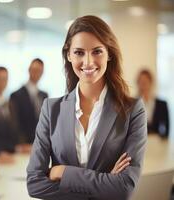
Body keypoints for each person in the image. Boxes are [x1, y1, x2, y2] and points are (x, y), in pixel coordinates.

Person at [27, 15, 147, 200]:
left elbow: (124, 188)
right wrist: (105, 183)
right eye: (79, 52)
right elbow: (34, 184)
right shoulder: (51, 110)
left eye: (97, 51)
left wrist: (63, 172)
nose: (88, 62)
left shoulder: (133, 110)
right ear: (68, 54)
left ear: (109, 54)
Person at [10, 58, 48, 153]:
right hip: (24, 145)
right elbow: (15, 122)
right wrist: (21, 143)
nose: (37, 73)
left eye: (39, 71)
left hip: (41, 144)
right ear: (29, 70)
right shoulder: (16, 95)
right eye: (34, 70)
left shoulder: (44, 95)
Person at [137, 69, 169, 137]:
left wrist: (164, 140)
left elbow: (167, 126)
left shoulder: (162, 104)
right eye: (141, 81)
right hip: (138, 140)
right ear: (138, 83)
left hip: (156, 140)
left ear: (151, 82)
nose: (144, 83)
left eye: (146, 80)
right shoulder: (133, 104)